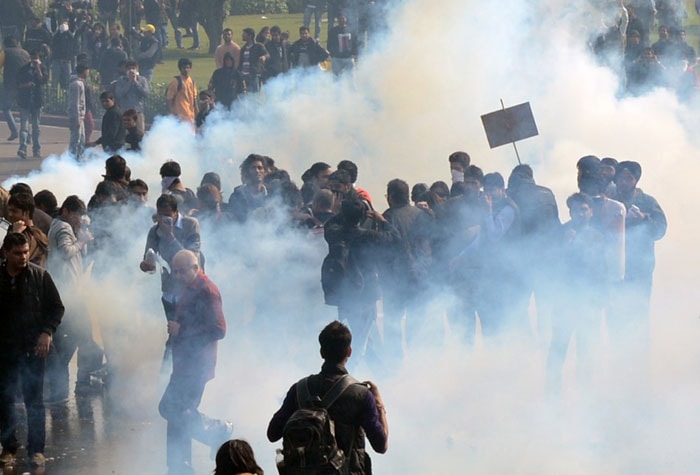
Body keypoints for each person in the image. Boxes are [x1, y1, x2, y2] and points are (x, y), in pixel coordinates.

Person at [267, 321, 388, 474]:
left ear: (322, 352)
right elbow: (381, 445)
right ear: (349, 352)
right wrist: (380, 406)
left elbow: (272, 433)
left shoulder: (299, 389)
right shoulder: (361, 395)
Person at [158, 249, 231, 475]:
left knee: (174, 409)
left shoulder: (208, 291)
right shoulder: (188, 287)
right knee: (176, 411)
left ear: (196, 267)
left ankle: (217, 431)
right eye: (175, 271)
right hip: (184, 363)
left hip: (197, 365)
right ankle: (178, 464)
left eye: (181, 271)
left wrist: (183, 329)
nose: (177, 275)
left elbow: (219, 329)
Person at [0, 232, 64, 468]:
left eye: (26, 252)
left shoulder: (40, 276)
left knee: (34, 401)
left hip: (33, 349)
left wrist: (47, 332)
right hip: (5, 350)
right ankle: (9, 447)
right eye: (17, 253)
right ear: (5, 252)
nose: (23, 257)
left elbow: (56, 308)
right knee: (4, 399)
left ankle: (36, 451)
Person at [16, 49, 47, 160]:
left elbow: (43, 81)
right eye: (32, 58)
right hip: (25, 101)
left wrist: (38, 68)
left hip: (37, 102)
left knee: (36, 127)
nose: (33, 60)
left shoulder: (42, 68)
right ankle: (22, 149)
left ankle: (36, 150)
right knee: (24, 126)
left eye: (36, 58)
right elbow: (18, 84)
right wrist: (27, 85)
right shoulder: (23, 69)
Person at [6, 192, 49, 267]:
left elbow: (9, 259)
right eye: (9, 210)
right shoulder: (39, 234)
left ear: (26, 213)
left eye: (14, 211)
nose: (10, 214)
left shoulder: (29, 235)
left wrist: (15, 234)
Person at [1, 35, 30, 142]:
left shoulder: (6, 52)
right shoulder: (25, 53)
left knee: (5, 107)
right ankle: (28, 136)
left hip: (10, 85)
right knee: (24, 110)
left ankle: (14, 131)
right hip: (25, 85)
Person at [112, 60, 150, 132]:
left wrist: (136, 82)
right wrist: (129, 82)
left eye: (133, 68)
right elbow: (119, 94)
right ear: (125, 70)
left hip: (138, 111)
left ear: (137, 69)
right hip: (125, 111)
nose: (131, 70)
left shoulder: (142, 80)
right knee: (125, 134)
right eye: (129, 69)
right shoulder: (121, 80)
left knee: (140, 133)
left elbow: (146, 93)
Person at [67, 63, 89, 159]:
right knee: (76, 138)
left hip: (80, 116)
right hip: (77, 116)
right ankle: (72, 158)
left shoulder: (81, 82)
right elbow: (75, 103)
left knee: (81, 138)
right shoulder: (76, 84)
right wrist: (77, 118)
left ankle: (79, 156)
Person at [166, 57, 198, 124]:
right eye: (184, 68)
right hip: (179, 117)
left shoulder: (192, 82)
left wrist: (197, 113)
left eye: (188, 68)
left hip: (190, 117)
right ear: (180, 68)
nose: (186, 70)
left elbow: (194, 100)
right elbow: (169, 99)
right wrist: (172, 115)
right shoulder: (176, 82)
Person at [238, 28, 269, 94]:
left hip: (253, 75)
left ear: (250, 36)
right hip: (243, 75)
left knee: (255, 94)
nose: (242, 36)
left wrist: (264, 57)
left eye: (244, 34)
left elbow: (267, 54)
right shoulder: (243, 48)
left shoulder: (258, 46)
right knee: (244, 95)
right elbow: (241, 62)